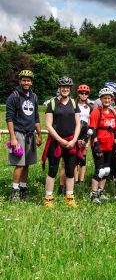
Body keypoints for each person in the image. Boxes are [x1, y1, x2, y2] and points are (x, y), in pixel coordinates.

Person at [42, 76, 81, 207]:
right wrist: (59, 140)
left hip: (71, 142)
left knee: (70, 170)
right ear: (59, 88)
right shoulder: (51, 104)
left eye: (67, 87)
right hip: (55, 142)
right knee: (52, 170)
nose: (65, 89)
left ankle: (69, 197)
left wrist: (74, 140)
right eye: (63, 87)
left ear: (70, 89)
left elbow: (78, 124)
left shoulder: (74, 103)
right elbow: (48, 125)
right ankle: (48, 198)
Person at [6, 70, 42, 201]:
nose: (26, 82)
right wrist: (13, 138)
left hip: (30, 134)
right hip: (19, 133)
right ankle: (14, 191)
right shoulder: (14, 96)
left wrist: (39, 135)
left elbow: (36, 117)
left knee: (27, 164)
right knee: (19, 164)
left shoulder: (34, 97)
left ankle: (23, 188)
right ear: (20, 81)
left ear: (31, 82)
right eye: (24, 80)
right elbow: (9, 119)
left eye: (28, 80)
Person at [89, 87, 116, 204]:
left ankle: (101, 192)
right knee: (99, 170)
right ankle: (93, 193)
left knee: (107, 170)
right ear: (101, 99)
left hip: (110, 145)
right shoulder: (97, 111)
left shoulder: (112, 113)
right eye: (105, 98)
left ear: (112, 100)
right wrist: (96, 144)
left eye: (109, 98)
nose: (107, 100)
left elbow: (115, 131)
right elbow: (92, 129)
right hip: (99, 145)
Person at [74, 84, 92, 185]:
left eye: (86, 93)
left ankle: (81, 180)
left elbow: (90, 122)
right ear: (78, 94)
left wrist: (86, 137)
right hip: (76, 132)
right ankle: (75, 180)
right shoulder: (74, 105)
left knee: (83, 158)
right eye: (82, 93)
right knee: (75, 157)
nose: (84, 95)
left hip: (85, 133)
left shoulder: (89, 107)